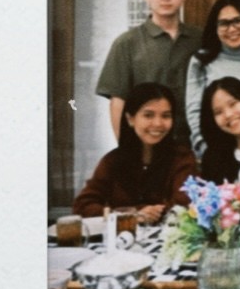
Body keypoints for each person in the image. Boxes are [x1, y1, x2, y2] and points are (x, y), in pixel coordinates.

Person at [95, 0, 201, 146]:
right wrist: (125, 150)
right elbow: (118, 101)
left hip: (192, 144)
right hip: (146, 145)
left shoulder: (199, 40)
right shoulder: (127, 43)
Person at [72, 82, 196, 221]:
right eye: (148, 115)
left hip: (168, 239)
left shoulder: (183, 158)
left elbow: (183, 205)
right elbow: (82, 206)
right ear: (130, 119)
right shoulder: (112, 160)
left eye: (166, 116)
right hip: (121, 239)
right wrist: (132, 215)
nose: (158, 123)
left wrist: (140, 213)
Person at [184, 0, 240, 160]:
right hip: (213, 151)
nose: (232, 29)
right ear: (214, 28)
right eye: (224, 23)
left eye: (238, 21)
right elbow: (193, 109)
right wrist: (205, 148)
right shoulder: (201, 60)